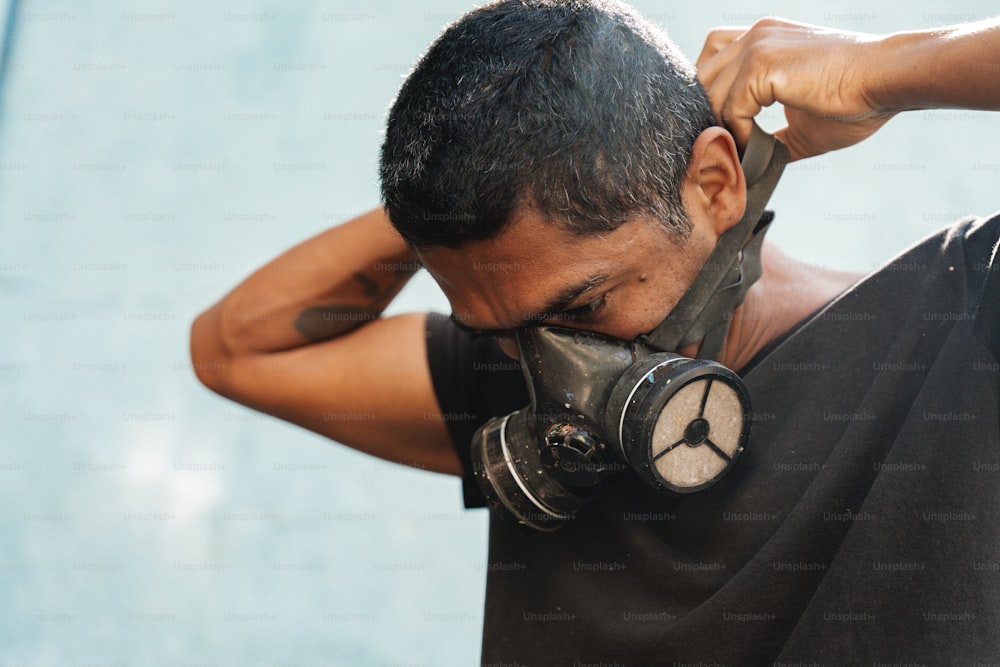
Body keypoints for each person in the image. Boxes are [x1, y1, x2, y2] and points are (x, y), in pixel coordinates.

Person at [190, 1, 1000, 663]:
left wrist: (886, 69)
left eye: (583, 308)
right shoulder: (518, 379)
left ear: (716, 183)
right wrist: (465, 195)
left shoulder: (960, 327)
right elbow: (236, 348)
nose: (551, 367)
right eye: (500, 330)